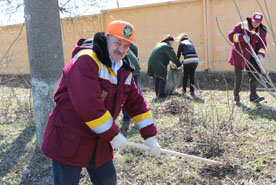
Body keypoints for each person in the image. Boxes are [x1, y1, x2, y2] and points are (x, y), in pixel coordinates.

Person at [41, 20, 161, 185]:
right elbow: (88, 106)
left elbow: (137, 104)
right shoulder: (86, 60)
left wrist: (150, 136)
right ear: (106, 39)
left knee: (107, 180)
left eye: (126, 46)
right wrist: (112, 134)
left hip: (99, 139)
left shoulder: (123, 69)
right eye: (118, 42)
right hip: (69, 137)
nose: (121, 49)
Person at [228, 12, 267, 104]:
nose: (255, 24)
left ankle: (253, 96)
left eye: (258, 22)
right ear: (251, 19)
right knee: (239, 78)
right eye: (254, 22)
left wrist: (260, 55)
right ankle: (236, 97)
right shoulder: (241, 26)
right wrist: (241, 37)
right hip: (239, 55)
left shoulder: (261, 30)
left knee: (255, 74)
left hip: (251, 55)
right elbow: (230, 36)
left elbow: (262, 44)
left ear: (260, 22)